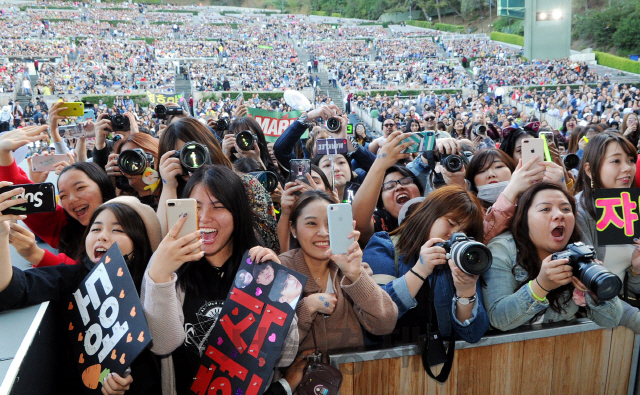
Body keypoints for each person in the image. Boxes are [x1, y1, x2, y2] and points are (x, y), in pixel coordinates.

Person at [141, 165, 298, 395]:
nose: (205, 218)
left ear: (238, 212)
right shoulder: (166, 269)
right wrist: (159, 277)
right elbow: (163, 344)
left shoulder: (259, 267)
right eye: (195, 207)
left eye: (218, 207)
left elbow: (286, 356)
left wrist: (277, 293)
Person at [0, 193, 163, 395]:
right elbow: (12, 287)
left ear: (141, 244)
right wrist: (1, 234)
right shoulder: (71, 277)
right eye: (95, 228)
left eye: (117, 229)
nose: (102, 236)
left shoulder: (155, 292)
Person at [265, 190, 397, 391]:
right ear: (293, 229)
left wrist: (355, 276)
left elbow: (385, 323)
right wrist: (305, 308)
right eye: (311, 223)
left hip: (353, 385)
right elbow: (271, 350)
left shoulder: (351, 267)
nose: (324, 232)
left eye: (330, 224)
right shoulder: (281, 271)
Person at [483, 182, 623, 331]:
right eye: (545, 209)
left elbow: (613, 319)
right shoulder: (503, 249)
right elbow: (498, 319)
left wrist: (595, 291)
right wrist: (541, 285)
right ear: (524, 219)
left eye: (565, 209)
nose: (559, 215)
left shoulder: (578, 250)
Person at [364, 185, 489, 345]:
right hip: (390, 363)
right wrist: (420, 270)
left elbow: (473, 335)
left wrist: (466, 292)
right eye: (451, 223)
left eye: (464, 232)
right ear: (429, 213)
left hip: (450, 365)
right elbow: (374, 316)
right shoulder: (385, 247)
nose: (453, 235)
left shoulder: (462, 257)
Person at [0, 126, 117, 267]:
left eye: (80, 188)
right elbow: (21, 191)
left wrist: (35, 254)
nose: (72, 199)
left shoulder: (129, 221)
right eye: (63, 195)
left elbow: (92, 277)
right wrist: (3, 153)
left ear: (101, 184)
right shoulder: (66, 227)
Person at [156, 117, 278, 251]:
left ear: (209, 148)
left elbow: (266, 243)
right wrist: (168, 186)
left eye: (195, 153)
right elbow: (163, 245)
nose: (191, 162)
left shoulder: (247, 185)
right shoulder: (171, 192)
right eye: (182, 156)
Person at [574, 132, 639, 293]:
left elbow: (632, 289)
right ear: (589, 170)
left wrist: (636, 271)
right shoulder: (577, 212)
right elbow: (585, 292)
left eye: (631, 160)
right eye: (616, 161)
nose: (627, 168)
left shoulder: (633, 206)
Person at [352, 131, 424, 245]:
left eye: (406, 182)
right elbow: (359, 223)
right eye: (389, 186)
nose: (399, 187)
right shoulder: (382, 223)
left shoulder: (434, 212)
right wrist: (380, 163)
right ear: (382, 205)